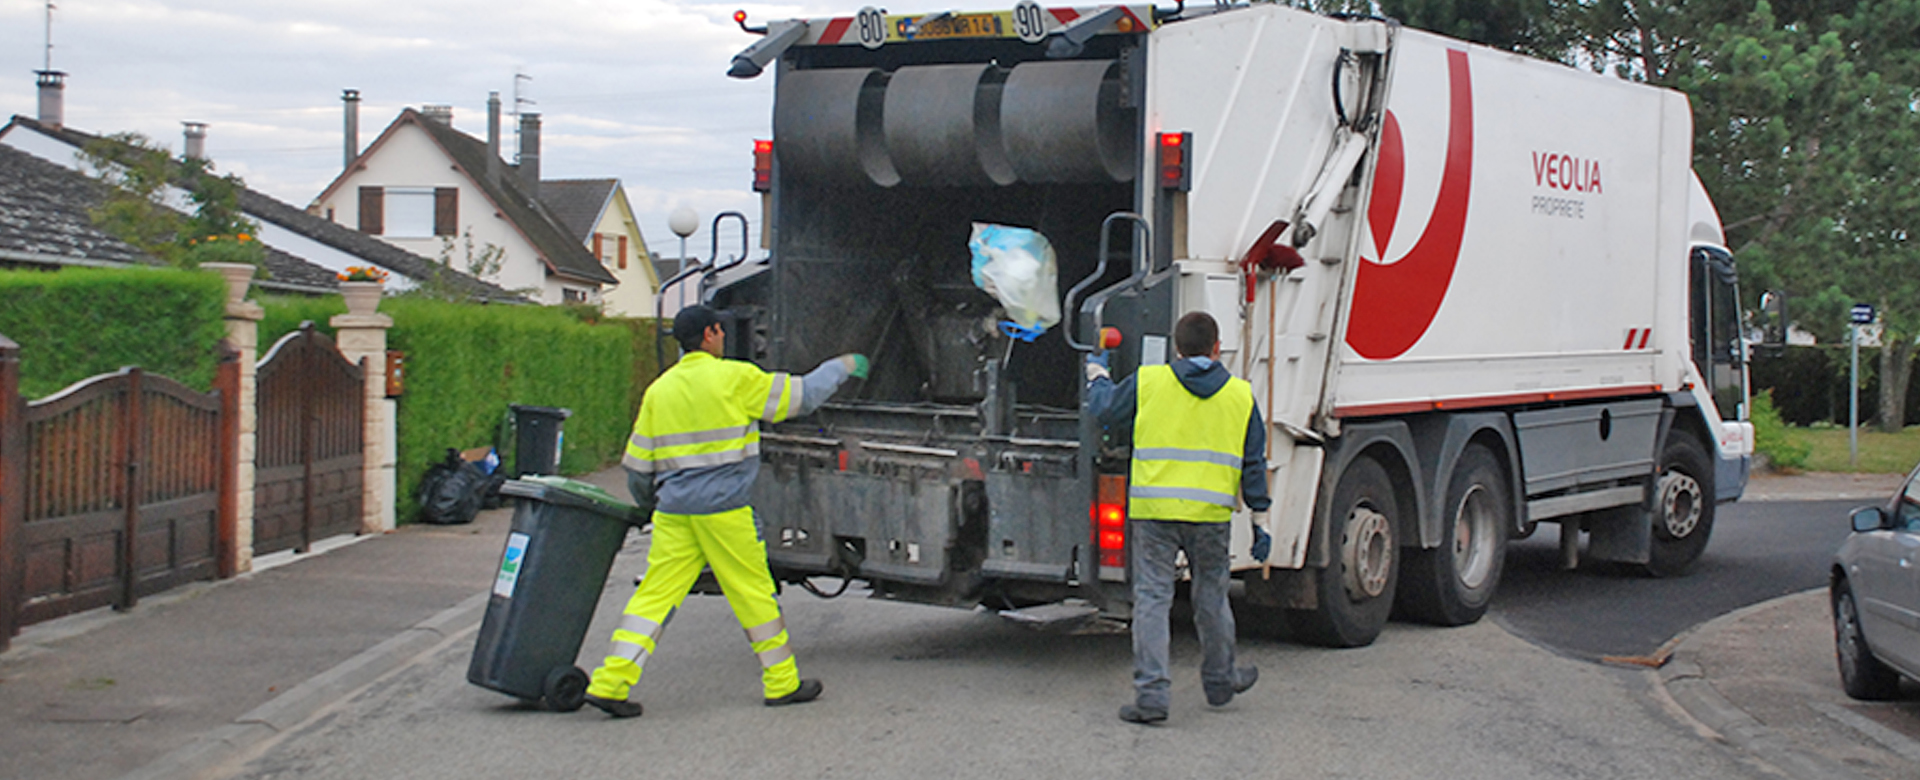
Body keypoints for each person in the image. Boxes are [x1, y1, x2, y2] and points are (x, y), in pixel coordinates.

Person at [583, 304, 869, 718]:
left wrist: (652, 506)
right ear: (712, 334)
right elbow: (802, 397)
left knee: (653, 597)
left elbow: (639, 468)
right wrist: (842, 366)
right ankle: (782, 683)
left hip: (675, 512)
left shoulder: (659, 390)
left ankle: (610, 682)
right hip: (724, 512)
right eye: (719, 331)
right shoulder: (734, 378)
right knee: (753, 592)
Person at [1085, 311, 1271, 724]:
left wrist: (1097, 371)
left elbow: (1105, 410)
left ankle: (1152, 695)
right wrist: (1261, 520)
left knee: (1153, 598)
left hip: (1155, 512)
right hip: (1210, 516)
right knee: (1211, 596)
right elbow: (1253, 463)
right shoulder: (1240, 395)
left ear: (1176, 348)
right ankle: (1221, 680)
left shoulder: (1150, 382)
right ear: (1217, 347)